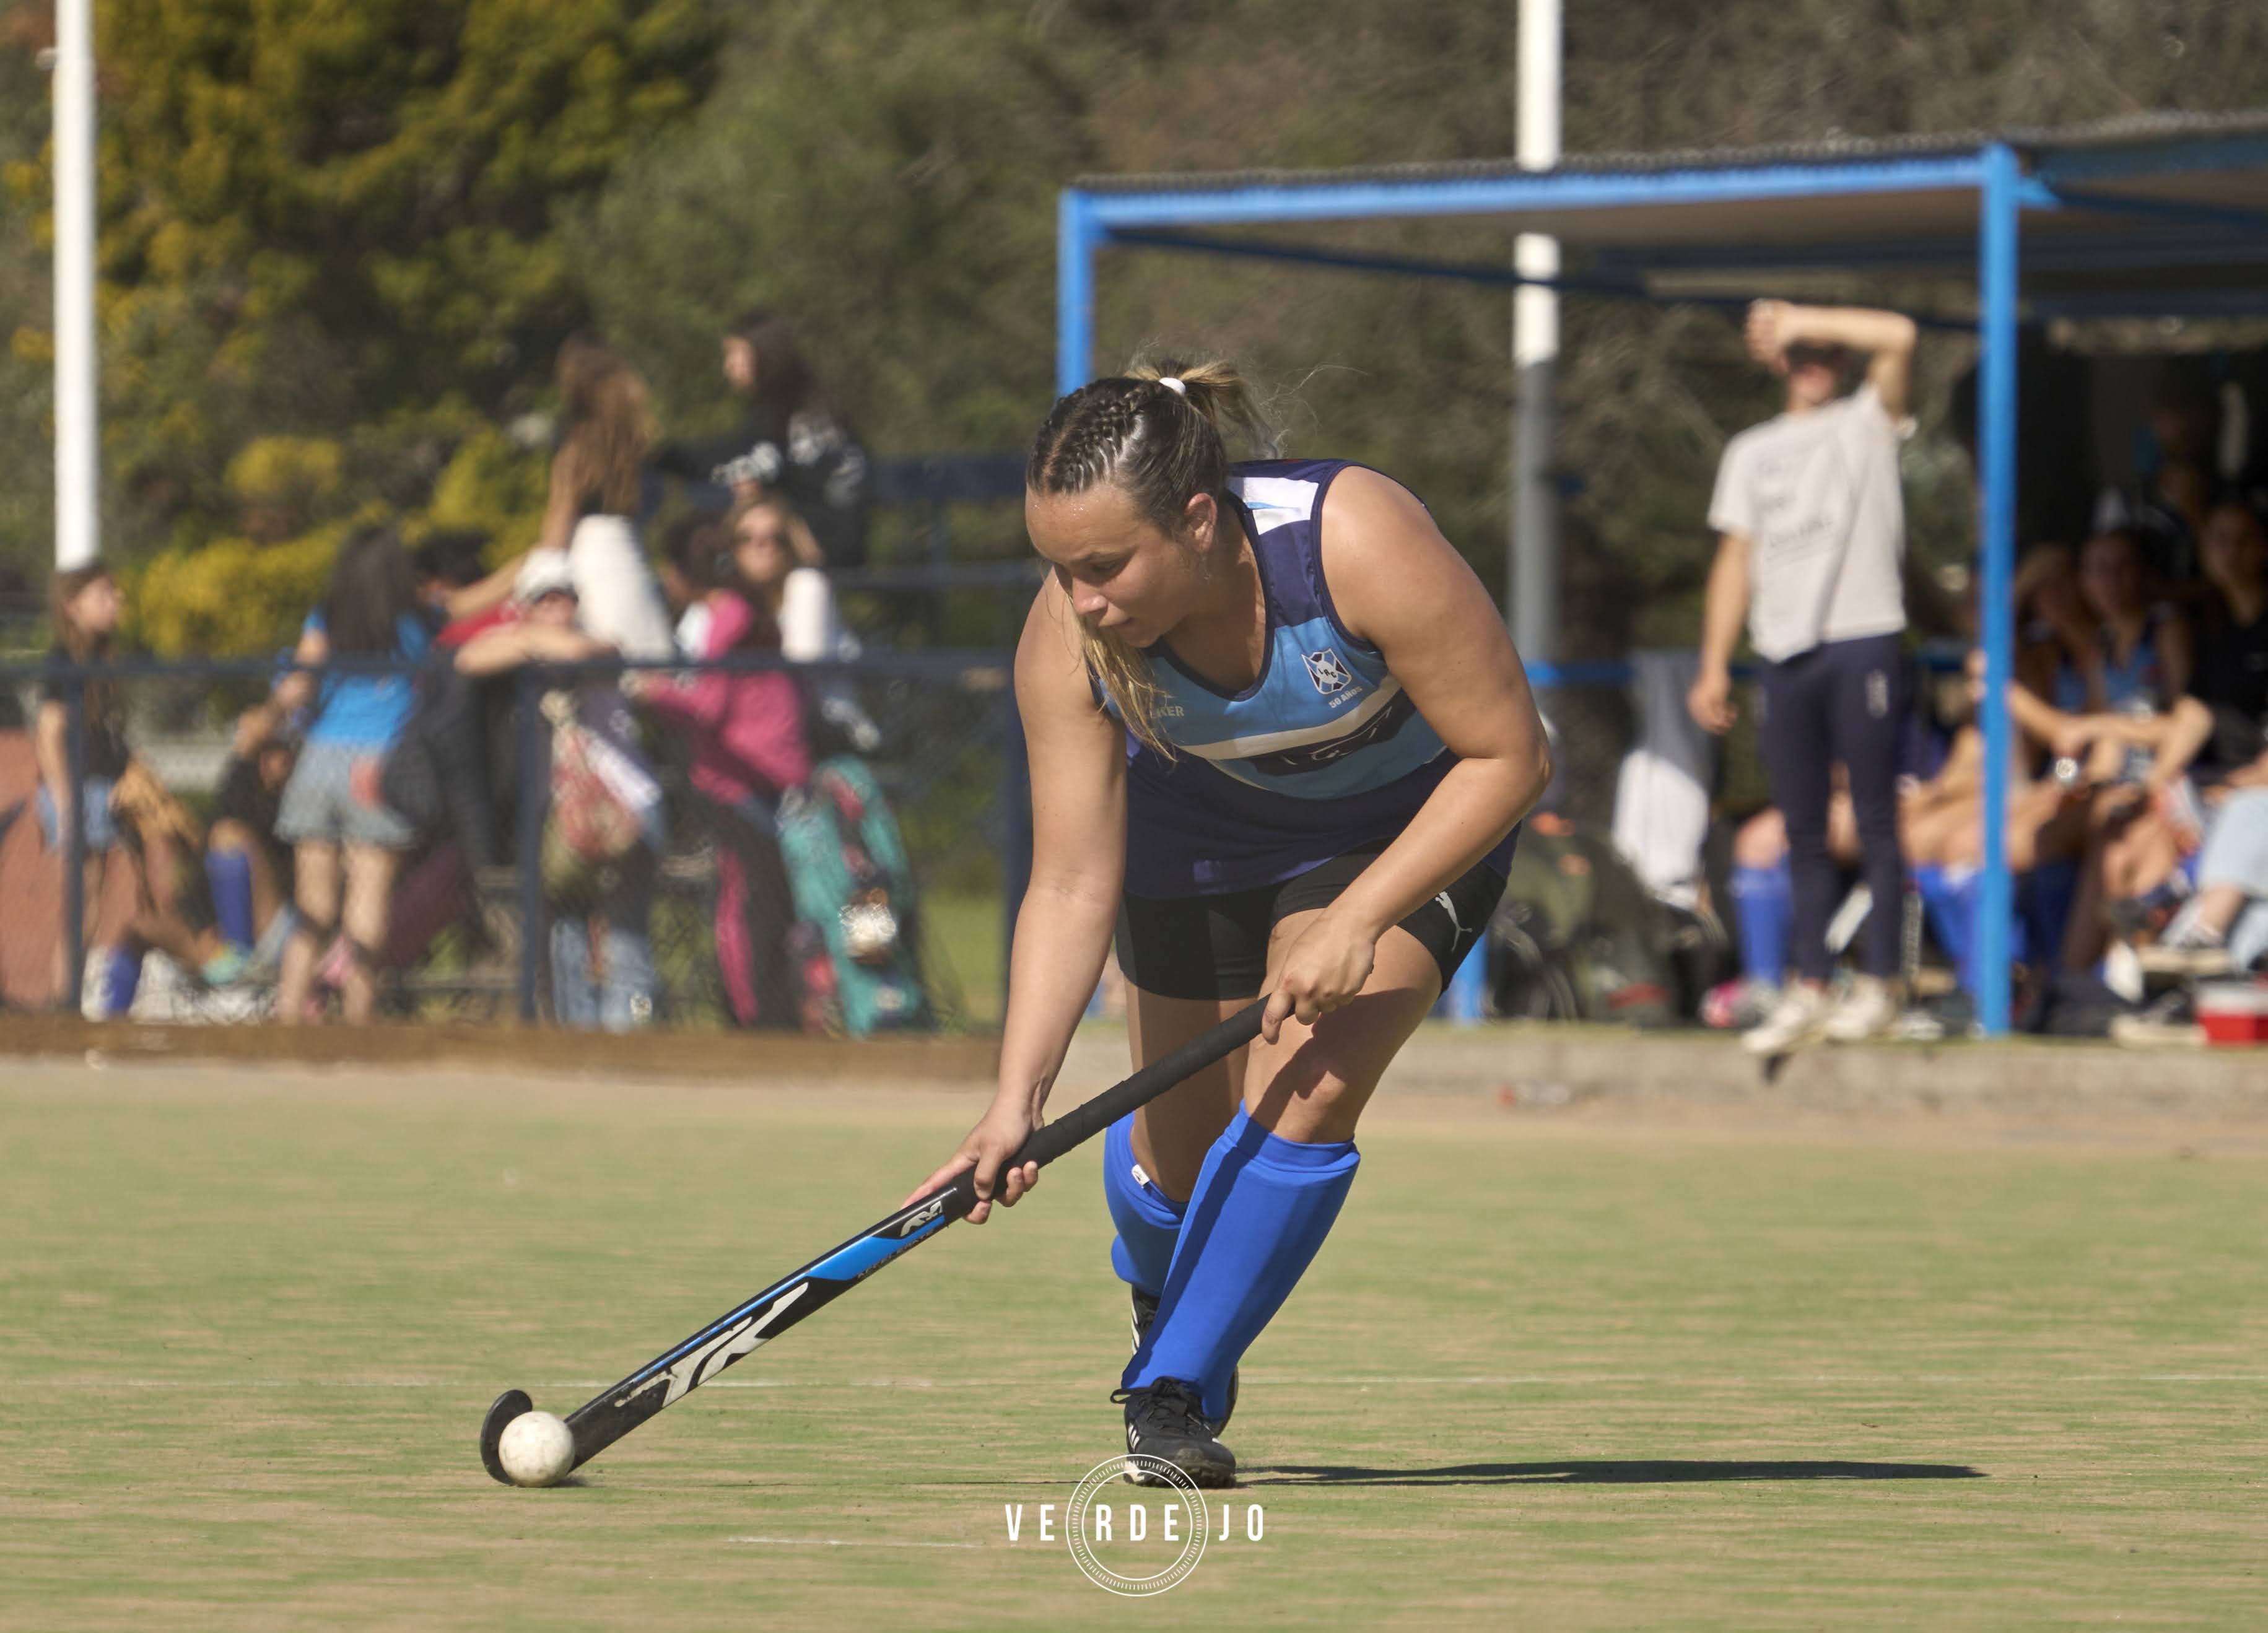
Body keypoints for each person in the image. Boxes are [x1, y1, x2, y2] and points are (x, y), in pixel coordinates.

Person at [906, 359, 1551, 1487]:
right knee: (1181, 1160)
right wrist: (1015, 1102)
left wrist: (1356, 917)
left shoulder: (1351, 539)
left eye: (1105, 566)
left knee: (1304, 1085)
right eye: (1059, 569)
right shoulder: (1067, 631)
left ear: (1199, 520)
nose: (1083, 598)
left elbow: (1512, 756)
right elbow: (1066, 882)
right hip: (1194, 842)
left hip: (1400, 832)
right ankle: (1172, 1274)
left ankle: (1171, 1389)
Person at [1689, 299, 1919, 1052]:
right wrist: (1714, 662)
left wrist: (1797, 319)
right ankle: (1809, 986)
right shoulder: (1751, 450)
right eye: (1796, 352)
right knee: (1801, 830)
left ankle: (1881, 985)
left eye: (1823, 350)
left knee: (1877, 822)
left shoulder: (1865, 423)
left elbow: (1899, 336)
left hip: (1862, 637)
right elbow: (1735, 558)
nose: (1811, 363)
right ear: (1775, 363)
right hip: (1783, 653)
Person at [459, 554, 663, 1030]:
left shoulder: (600, 642)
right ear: (525, 606)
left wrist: (528, 638)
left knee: (627, 945)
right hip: (560, 829)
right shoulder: (522, 654)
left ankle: (633, 1041)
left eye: (564, 596)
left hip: (627, 813)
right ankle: (584, 1050)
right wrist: (529, 639)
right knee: (567, 945)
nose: (557, 608)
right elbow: (467, 657)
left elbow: (587, 654)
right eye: (543, 599)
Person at [630, 506, 816, 1029]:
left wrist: (651, 692)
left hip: (748, 779)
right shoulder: (748, 612)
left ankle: (756, 1012)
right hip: (761, 776)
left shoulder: (729, 613)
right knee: (759, 899)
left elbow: (708, 706)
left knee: (751, 903)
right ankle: (760, 1008)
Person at [271, 524, 434, 1024]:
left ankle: (286, 1020)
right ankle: (357, 1027)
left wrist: (272, 718)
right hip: (375, 769)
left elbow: (295, 686)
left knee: (311, 908)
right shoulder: (416, 627)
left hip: (320, 761)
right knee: (367, 907)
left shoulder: (326, 618)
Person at [653, 310, 872, 569]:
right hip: (846, 547)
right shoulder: (815, 406)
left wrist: (658, 456)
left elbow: (724, 462)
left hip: (817, 555)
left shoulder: (783, 420)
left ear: (764, 355)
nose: (729, 366)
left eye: (735, 354)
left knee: (741, 507)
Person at [33, 561, 142, 1009]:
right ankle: (62, 1001)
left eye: (114, 594)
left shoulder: (103, 659)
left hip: (102, 788)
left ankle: (69, 999)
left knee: (92, 904)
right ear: (72, 606)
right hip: (76, 792)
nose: (113, 602)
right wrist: (66, 802)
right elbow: (48, 731)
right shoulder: (63, 659)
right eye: (102, 594)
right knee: (80, 905)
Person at [533, 335, 677, 664]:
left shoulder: (574, 438)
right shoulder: (637, 440)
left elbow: (562, 509)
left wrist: (542, 576)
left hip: (588, 562)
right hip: (632, 559)